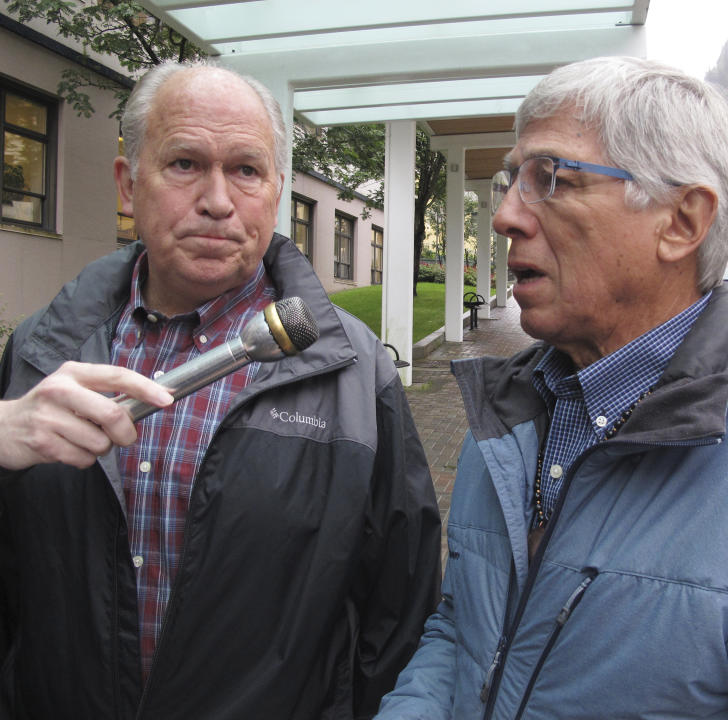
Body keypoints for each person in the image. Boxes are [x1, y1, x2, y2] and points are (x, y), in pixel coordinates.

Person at [375, 57, 728, 719]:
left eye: (551, 178)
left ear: (680, 221)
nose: (505, 215)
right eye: (512, 180)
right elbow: (464, 627)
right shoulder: (509, 415)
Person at [0, 61, 441, 719]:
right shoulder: (38, 353)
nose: (217, 200)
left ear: (277, 189)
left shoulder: (356, 372)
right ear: (128, 185)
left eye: (246, 170)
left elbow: (399, 611)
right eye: (184, 163)